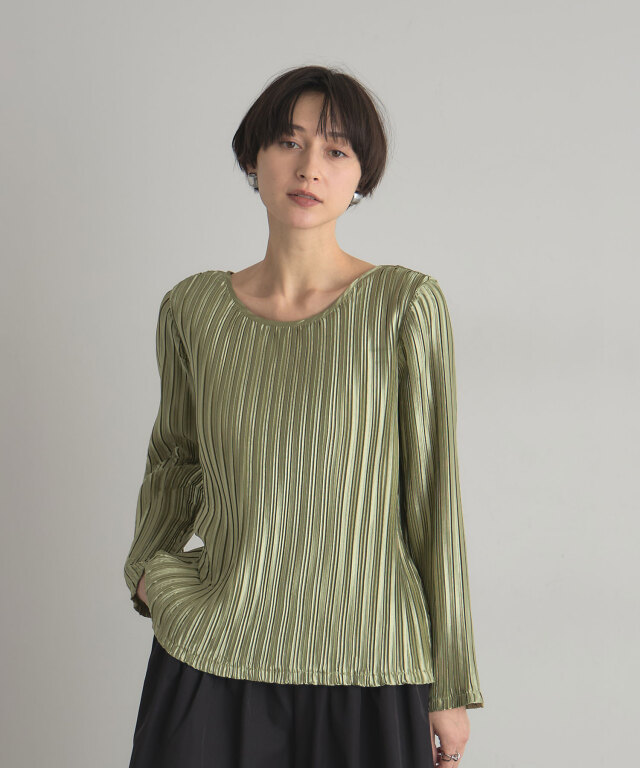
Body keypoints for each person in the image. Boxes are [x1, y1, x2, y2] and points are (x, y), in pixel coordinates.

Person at [124, 64, 484, 768]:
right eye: (289, 142)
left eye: (336, 149)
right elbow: (176, 459)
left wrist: (449, 686)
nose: (309, 167)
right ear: (253, 157)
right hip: (212, 655)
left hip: (371, 664)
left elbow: (433, 499)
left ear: (361, 176)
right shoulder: (193, 310)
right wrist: (147, 568)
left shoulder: (404, 306)